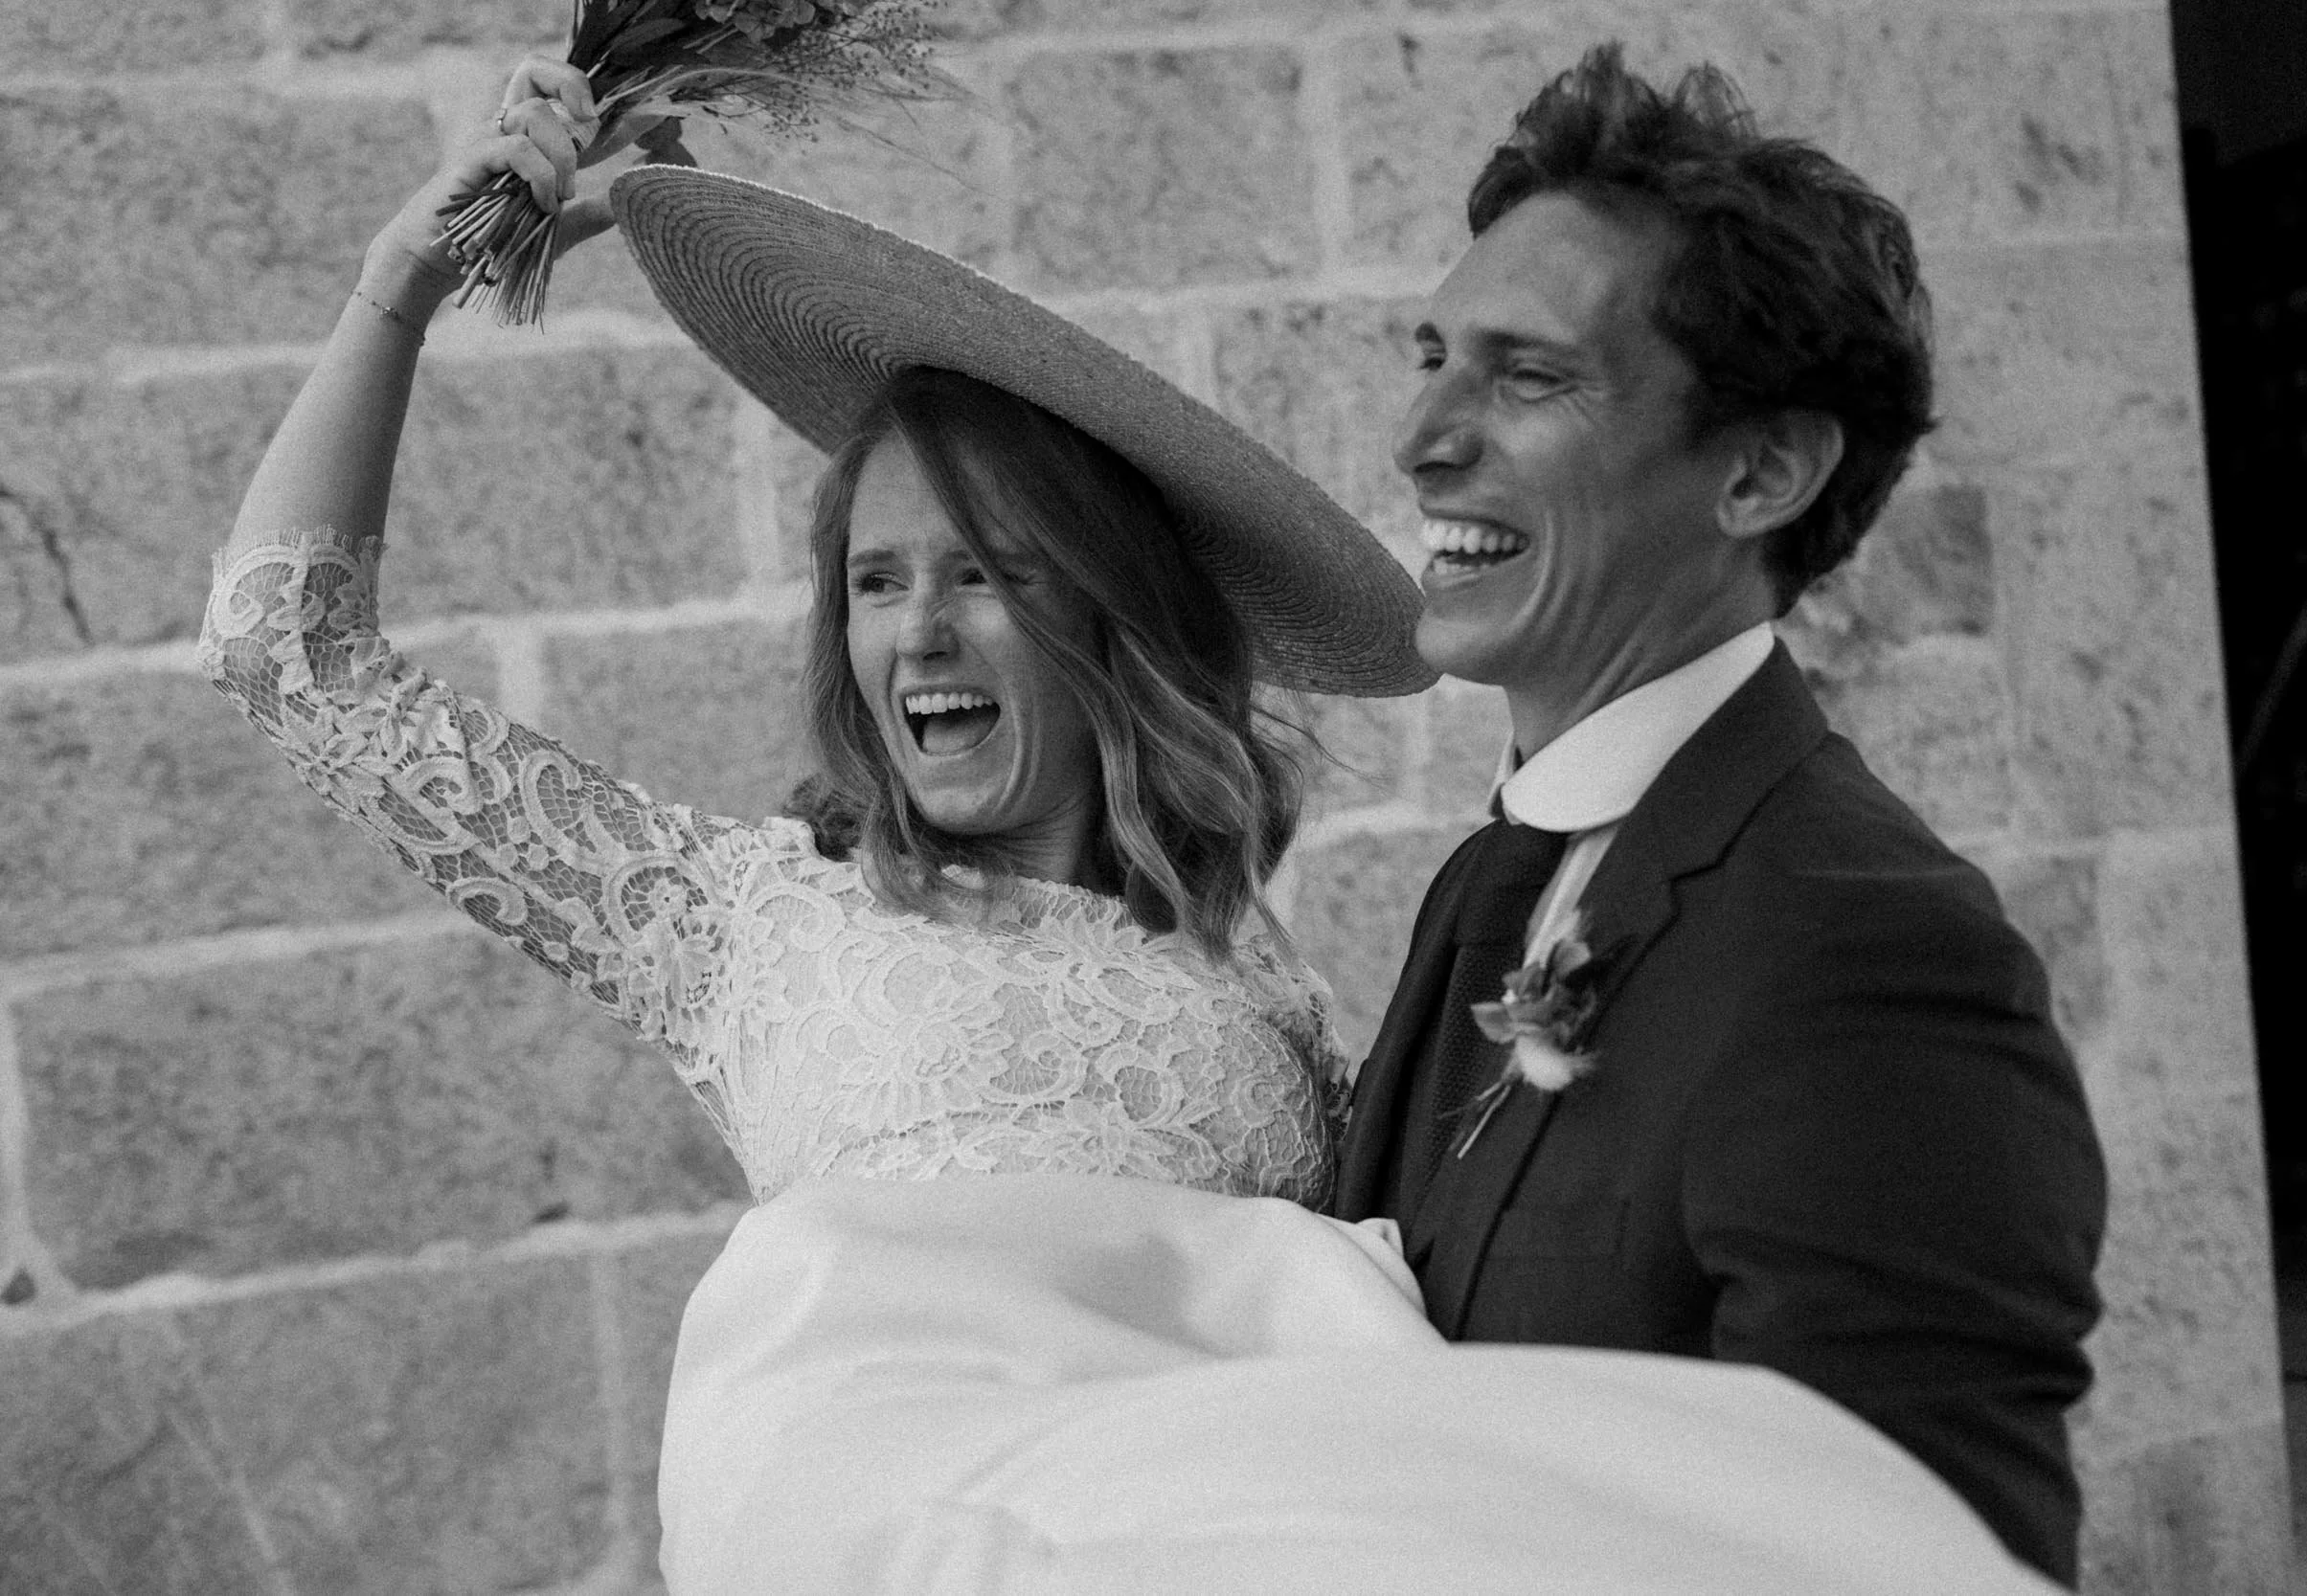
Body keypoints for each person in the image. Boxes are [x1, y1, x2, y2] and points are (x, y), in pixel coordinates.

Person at [203, 56, 1431, 1219]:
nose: (921, 632)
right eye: (876, 581)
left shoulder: (1269, 994)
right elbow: (288, 657)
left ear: (1120, 614)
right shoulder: (735, 919)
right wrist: (396, 291)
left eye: (989, 573)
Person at [1331, 43, 2109, 1587]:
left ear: (1761, 469)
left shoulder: (1871, 953)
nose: (1422, 436)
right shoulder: (1489, 885)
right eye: (1433, 355)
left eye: (1529, 372)